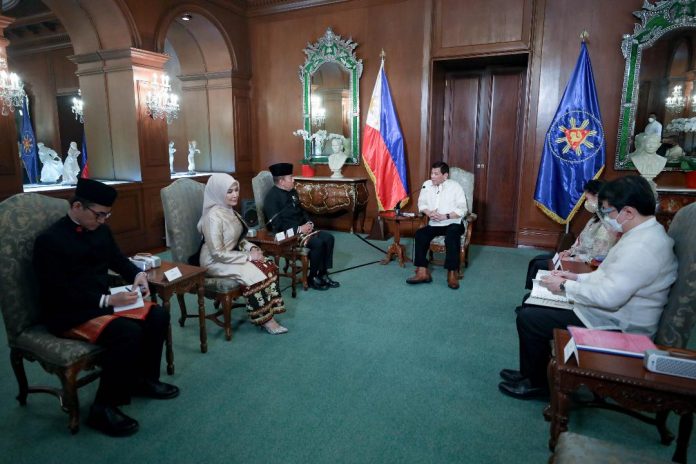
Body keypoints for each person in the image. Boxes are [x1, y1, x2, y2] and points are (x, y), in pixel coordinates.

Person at [498, 176, 678, 400]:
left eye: (609, 211)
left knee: (530, 318)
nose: (607, 218)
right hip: (608, 312)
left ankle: (539, 385)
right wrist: (574, 277)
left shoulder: (643, 247)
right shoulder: (641, 235)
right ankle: (532, 373)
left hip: (618, 324)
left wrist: (565, 286)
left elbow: (609, 296)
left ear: (629, 212)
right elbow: (607, 277)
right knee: (532, 304)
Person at [33, 178, 179, 437]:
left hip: (101, 302)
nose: (103, 221)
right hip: (68, 312)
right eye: (99, 215)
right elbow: (57, 292)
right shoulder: (50, 241)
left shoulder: (100, 230)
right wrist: (107, 301)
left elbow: (117, 259)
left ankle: (142, 380)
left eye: (107, 215)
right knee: (127, 333)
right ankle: (103, 407)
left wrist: (137, 275)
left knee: (157, 314)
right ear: (78, 206)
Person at [198, 173, 288, 334]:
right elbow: (218, 253)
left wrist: (251, 248)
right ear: (218, 193)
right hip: (214, 261)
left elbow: (239, 239)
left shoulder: (230, 210)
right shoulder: (213, 217)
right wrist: (248, 257)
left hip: (231, 255)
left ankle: (270, 311)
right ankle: (266, 319)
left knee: (267, 264)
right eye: (229, 191)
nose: (235, 195)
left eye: (236, 190)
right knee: (253, 273)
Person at [524, 180, 619, 289]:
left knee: (540, 265)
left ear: (598, 197)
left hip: (586, 265)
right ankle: (533, 293)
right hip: (576, 256)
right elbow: (580, 240)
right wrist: (568, 252)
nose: (586, 203)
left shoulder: (607, 225)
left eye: (587, 199)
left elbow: (597, 256)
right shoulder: (595, 218)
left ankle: (537, 294)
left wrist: (573, 259)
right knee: (537, 260)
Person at [263, 162, 339, 291]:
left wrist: (309, 223)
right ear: (281, 181)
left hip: (303, 229)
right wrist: (299, 229)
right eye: (290, 177)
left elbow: (302, 211)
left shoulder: (292, 191)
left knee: (329, 238)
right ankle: (312, 278)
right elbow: (276, 225)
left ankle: (322, 274)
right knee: (318, 243)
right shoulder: (272, 198)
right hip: (287, 235)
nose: (293, 179)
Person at [406, 161, 468, 290]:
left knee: (451, 236)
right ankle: (423, 271)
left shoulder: (455, 187)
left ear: (445, 176)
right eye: (431, 173)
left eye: (436, 174)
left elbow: (463, 209)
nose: (432, 176)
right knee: (420, 234)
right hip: (434, 223)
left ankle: (452, 273)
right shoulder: (426, 185)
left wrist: (446, 216)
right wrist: (429, 212)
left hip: (453, 222)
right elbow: (422, 204)